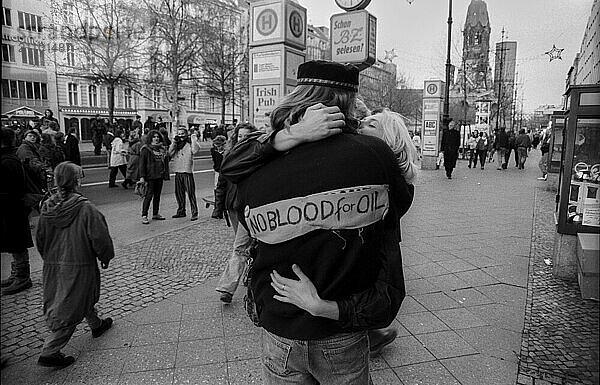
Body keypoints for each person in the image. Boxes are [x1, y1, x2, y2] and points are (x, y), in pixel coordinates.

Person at [229, 60, 413, 383]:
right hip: (340, 334)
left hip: (279, 331)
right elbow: (402, 201)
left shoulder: (259, 166)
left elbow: (232, 175)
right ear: (349, 102)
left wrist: (288, 136)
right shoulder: (374, 156)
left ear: (300, 95)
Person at [36, 161, 114, 368]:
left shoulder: (47, 207)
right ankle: (51, 350)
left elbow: (40, 239)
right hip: (80, 263)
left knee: (78, 296)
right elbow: (100, 238)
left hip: (54, 263)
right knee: (72, 303)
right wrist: (105, 256)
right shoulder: (86, 208)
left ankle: (96, 324)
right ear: (76, 181)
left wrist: (50, 259)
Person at [214, 123, 259, 303]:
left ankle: (229, 287)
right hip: (234, 208)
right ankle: (239, 280)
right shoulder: (230, 157)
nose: (243, 139)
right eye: (240, 136)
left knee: (243, 246)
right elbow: (222, 183)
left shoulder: (260, 156)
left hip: (253, 209)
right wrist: (218, 207)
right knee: (242, 246)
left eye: (247, 136)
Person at [0, 128, 34, 295]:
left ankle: (22, 277)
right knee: (14, 243)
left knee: (17, 243)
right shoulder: (8, 158)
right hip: (11, 208)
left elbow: (14, 188)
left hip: (12, 208)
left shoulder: (8, 160)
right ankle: (16, 274)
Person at [169, 127, 201, 221]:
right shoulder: (176, 145)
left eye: (182, 133)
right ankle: (181, 211)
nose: (181, 136)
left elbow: (195, 150)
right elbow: (170, 153)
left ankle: (194, 213)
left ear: (186, 134)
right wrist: (174, 142)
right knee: (179, 193)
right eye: (179, 134)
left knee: (191, 193)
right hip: (178, 171)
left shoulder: (190, 143)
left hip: (187, 171)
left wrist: (193, 138)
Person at [139, 129, 169, 224]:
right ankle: (144, 215)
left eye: (157, 137)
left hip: (159, 175)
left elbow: (166, 160)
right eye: (154, 137)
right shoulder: (146, 149)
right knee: (148, 196)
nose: (156, 139)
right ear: (150, 138)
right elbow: (142, 164)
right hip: (150, 176)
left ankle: (155, 213)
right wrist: (142, 176)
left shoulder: (161, 149)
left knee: (157, 196)